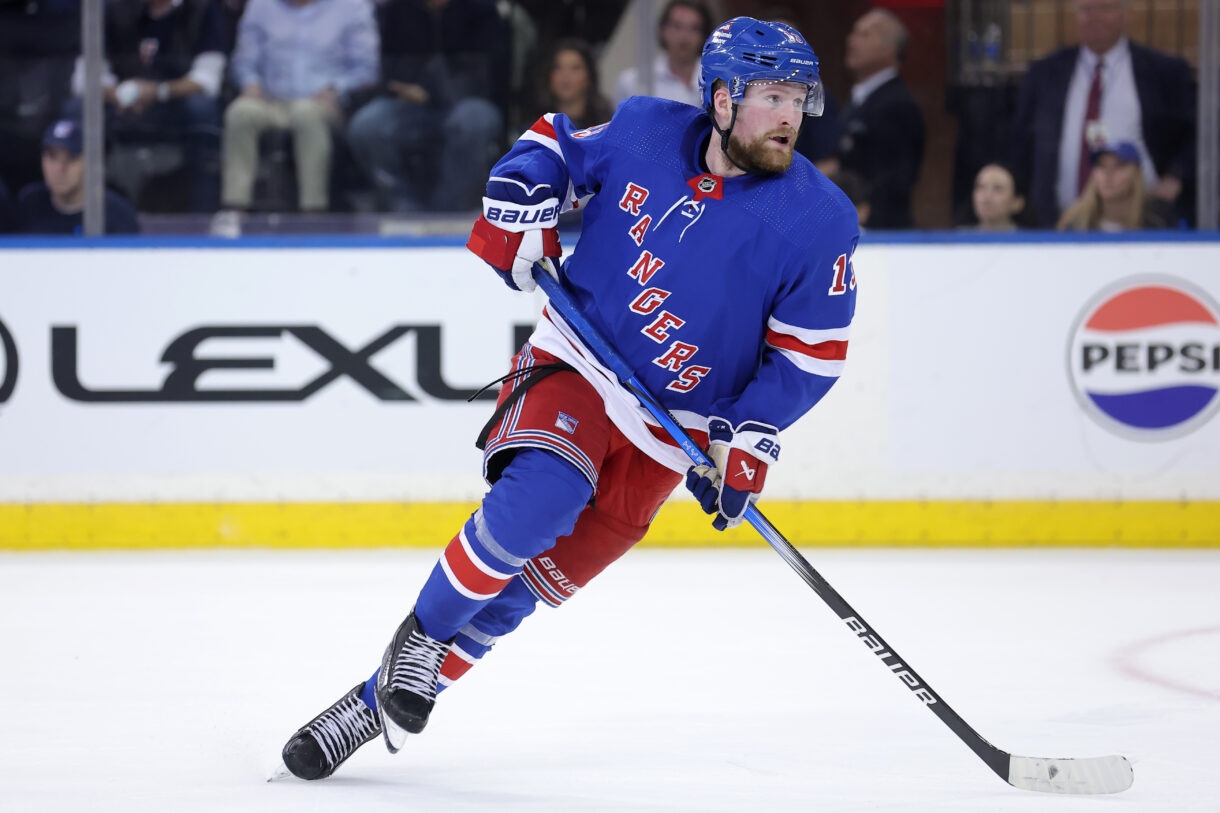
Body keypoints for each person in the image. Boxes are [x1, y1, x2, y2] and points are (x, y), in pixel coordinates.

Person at [275, 16, 858, 782]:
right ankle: (420, 636)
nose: (789, 116)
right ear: (721, 98)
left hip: (669, 436)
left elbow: (807, 357)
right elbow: (554, 146)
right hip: (580, 361)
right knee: (541, 500)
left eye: (798, 99)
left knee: (518, 596)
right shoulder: (646, 129)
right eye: (772, 97)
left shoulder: (820, 222)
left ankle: (370, 703)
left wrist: (748, 434)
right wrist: (523, 192)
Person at [1011, 0, 1195, 227]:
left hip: (1143, 224)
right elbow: (1021, 142)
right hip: (1057, 224)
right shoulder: (1045, 72)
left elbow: (1195, 136)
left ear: (1127, 13)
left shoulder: (1164, 72)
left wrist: (1176, 178)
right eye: (1086, 9)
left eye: (1105, 8)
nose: (1094, 16)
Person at [65, 0, 230, 213]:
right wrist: (117, 94)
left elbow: (207, 80)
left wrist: (158, 91)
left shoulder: (202, 8)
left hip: (174, 104)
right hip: (120, 104)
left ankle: (203, 213)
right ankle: (86, 210)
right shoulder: (112, 7)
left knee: (202, 108)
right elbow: (82, 78)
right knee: (78, 109)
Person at [345, 0, 507, 212]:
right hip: (410, 107)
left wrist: (434, 93)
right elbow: (387, 70)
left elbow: (492, 76)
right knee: (367, 125)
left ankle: (452, 208)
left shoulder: (481, 10)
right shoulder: (397, 10)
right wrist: (401, 88)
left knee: (474, 119)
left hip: (465, 104)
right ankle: (401, 205)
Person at [221, 0, 378, 213]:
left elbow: (367, 70)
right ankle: (235, 208)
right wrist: (250, 83)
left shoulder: (352, 6)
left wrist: (337, 88)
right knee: (240, 112)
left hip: (323, 104)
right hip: (270, 101)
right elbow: (244, 61)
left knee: (306, 113)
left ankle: (313, 211)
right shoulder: (260, 5)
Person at [825, 8, 924, 229]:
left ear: (890, 49)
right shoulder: (859, 98)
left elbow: (895, 180)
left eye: (865, 34)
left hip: (880, 232)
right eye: (854, 32)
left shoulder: (898, 104)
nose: (852, 41)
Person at [15, 119, 141, 235]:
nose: (60, 169)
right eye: (52, 157)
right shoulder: (30, 204)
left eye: (72, 158)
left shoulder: (116, 214)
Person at [1056, 140, 1175, 231]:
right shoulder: (1075, 224)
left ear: (1136, 175)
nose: (1108, 174)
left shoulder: (1158, 221)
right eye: (1101, 166)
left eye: (1119, 166)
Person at [611, 0, 711, 107]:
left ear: (704, 34)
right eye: (677, 26)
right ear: (662, 30)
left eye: (694, 28)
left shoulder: (717, 80)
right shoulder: (631, 83)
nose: (684, 36)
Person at [518, 38, 613, 134]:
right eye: (558, 68)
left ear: (589, 75)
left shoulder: (607, 127)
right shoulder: (534, 131)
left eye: (575, 68)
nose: (565, 76)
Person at [969, 162, 1025, 231]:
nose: (987, 196)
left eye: (998, 188)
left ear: (1017, 201)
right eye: (981, 187)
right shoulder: (960, 235)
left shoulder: (1030, 237)